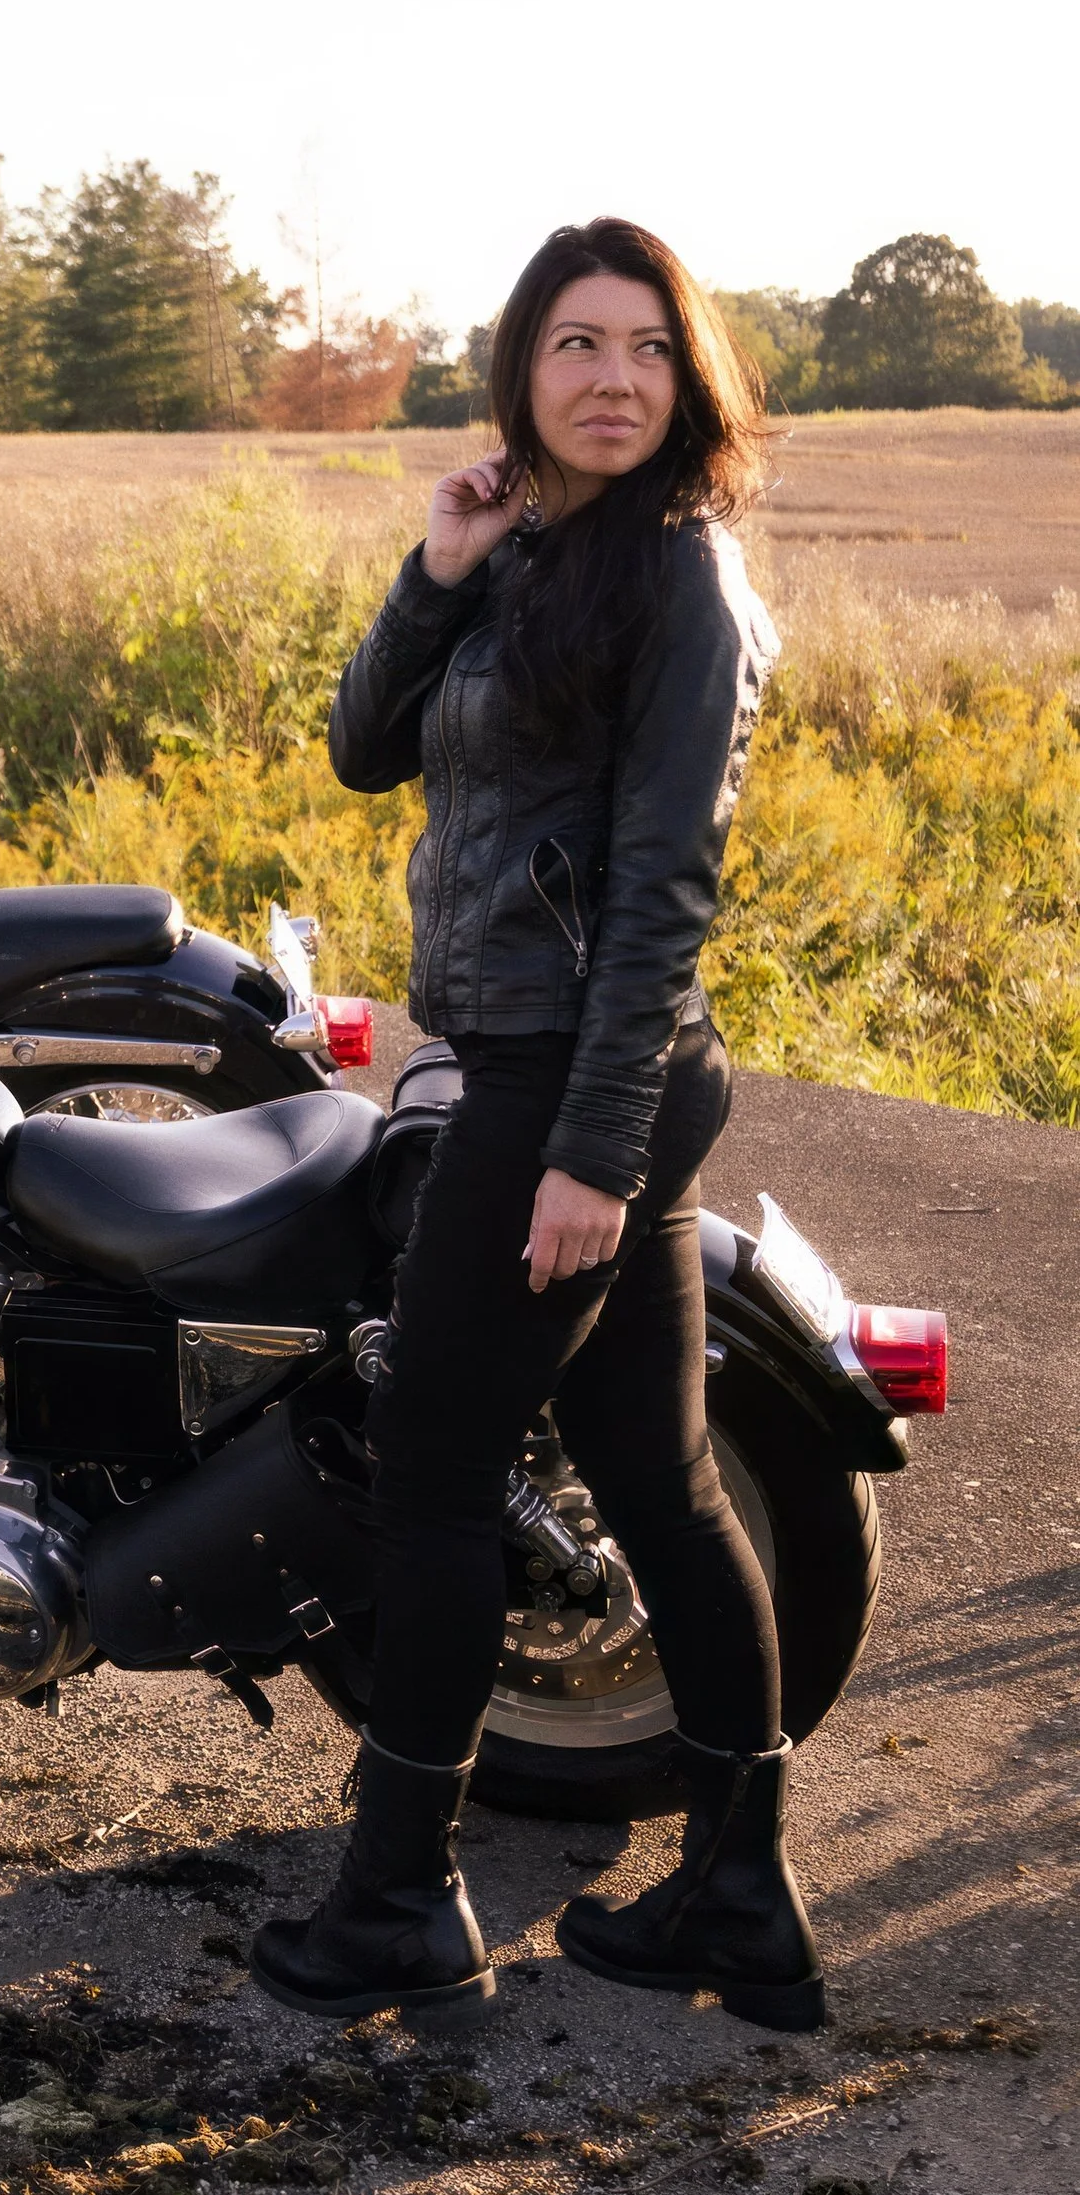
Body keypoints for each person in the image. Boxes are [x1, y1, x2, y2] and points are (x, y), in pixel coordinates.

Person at [252, 218, 818, 2033]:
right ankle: (740, 1894)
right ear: (523, 372)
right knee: (653, 1479)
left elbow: (665, 894)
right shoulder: (537, 554)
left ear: (693, 375)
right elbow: (360, 745)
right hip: (550, 1073)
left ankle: (399, 1904)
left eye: (648, 349)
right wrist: (437, 565)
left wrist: (588, 1151)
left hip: (566, 1086)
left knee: (426, 1494)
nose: (613, 381)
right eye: (577, 346)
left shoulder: (681, 582)